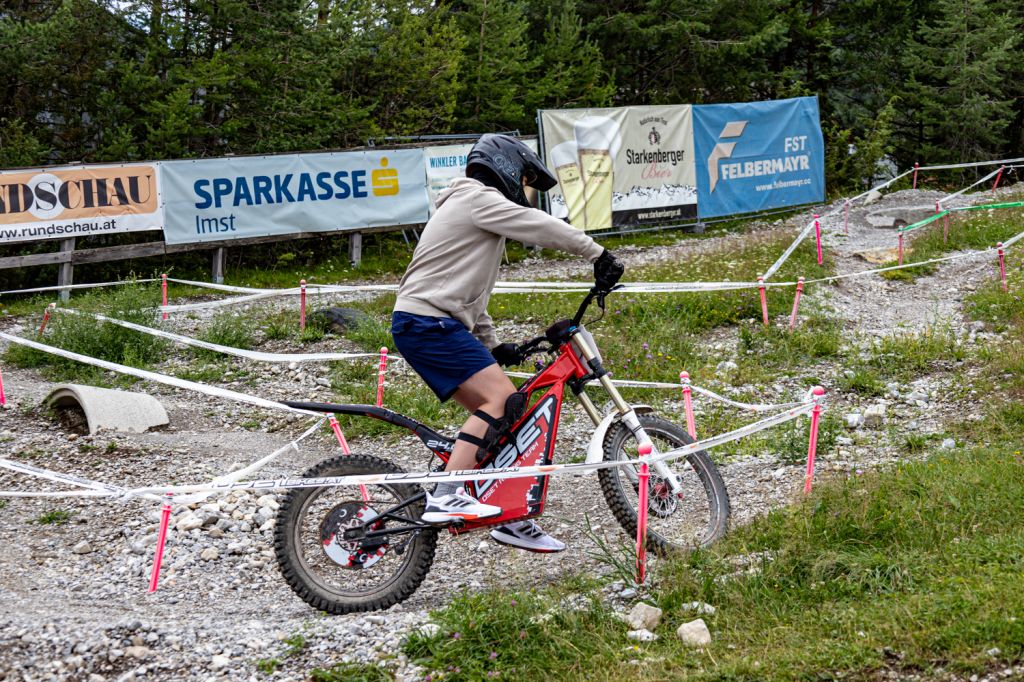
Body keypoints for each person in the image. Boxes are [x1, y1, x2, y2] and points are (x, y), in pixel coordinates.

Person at [391, 134, 624, 553]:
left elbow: (472, 295)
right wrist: (596, 253)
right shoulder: (476, 199)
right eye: (529, 180)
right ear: (508, 170)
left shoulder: (476, 213)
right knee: (497, 400)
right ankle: (447, 494)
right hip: (427, 323)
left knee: (507, 417)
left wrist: (492, 345)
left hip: (432, 322)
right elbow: (540, 225)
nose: (529, 192)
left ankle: (510, 516)